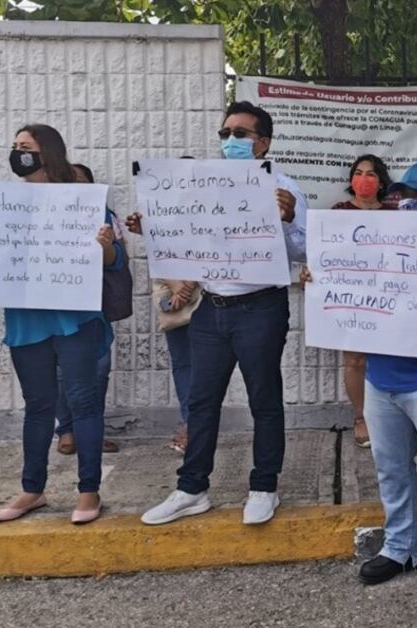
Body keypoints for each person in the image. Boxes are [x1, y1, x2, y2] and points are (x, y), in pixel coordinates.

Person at [306, 161, 417, 605]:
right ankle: (401, 547)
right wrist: (319, 277)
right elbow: (341, 279)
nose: (413, 203)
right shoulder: (372, 241)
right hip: (382, 377)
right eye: (406, 194)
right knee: (390, 468)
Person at [0, 124, 125, 525]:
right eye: (15, 146)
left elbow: (115, 263)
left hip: (77, 319)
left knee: (84, 404)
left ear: (48, 152)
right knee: (38, 407)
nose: (18, 152)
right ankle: (31, 490)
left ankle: (88, 492)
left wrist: (106, 247)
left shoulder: (83, 201)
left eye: (27, 146)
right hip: (26, 321)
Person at [137, 101, 307, 527]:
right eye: (225, 133)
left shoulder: (284, 187)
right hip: (211, 309)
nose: (230, 140)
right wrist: (153, 227)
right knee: (201, 401)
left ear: (263, 143)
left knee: (264, 400)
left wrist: (286, 220)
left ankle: (264, 486)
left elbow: (305, 251)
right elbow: (186, 235)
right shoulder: (202, 186)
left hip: (261, 308)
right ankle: (191, 488)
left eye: (240, 134)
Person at [54, 163, 123, 456]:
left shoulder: (108, 217)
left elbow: (120, 256)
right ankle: (67, 430)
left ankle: (92, 430)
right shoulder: (49, 214)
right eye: (71, 180)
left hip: (95, 305)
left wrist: (108, 244)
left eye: (84, 182)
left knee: (100, 367)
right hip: (58, 304)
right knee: (61, 372)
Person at [331, 154, 396, 448]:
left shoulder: (396, 214)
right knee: (355, 360)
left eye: (371, 174)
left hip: (389, 294)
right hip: (352, 295)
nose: (364, 179)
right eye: (358, 173)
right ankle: (361, 418)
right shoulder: (338, 211)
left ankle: (392, 418)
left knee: (390, 357)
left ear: (381, 181)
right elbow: (326, 253)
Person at [153, 277, 200, 453]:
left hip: (213, 287)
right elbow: (156, 250)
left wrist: (186, 287)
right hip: (175, 290)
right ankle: (190, 423)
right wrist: (178, 286)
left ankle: (196, 426)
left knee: (207, 364)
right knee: (183, 364)